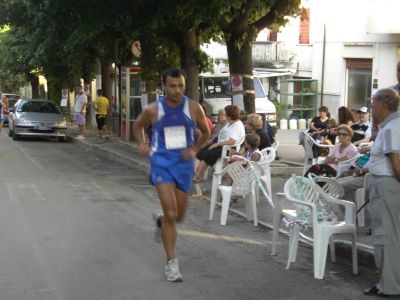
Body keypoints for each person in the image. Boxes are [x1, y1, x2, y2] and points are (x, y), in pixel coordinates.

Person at [133, 68, 210, 282]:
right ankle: (171, 263)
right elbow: (138, 125)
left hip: (184, 164)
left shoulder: (193, 108)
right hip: (162, 163)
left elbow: (206, 133)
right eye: (172, 86)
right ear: (164, 87)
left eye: (181, 86)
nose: (177, 90)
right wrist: (142, 143)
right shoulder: (153, 110)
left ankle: (161, 220)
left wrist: (194, 149)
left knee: (178, 216)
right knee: (171, 211)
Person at [364, 88, 400, 297]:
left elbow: (396, 167)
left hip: (387, 185)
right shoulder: (390, 126)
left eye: (373, 104)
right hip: (387, 185)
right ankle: (388, 282)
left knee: (385, 236)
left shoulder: (391, 128)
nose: (371, 107)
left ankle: (389, 285)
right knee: (388, 235)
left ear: (384, 105)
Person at [193, 104, 245, 183]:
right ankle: (193, 174)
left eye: (226, 114)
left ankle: (197, 176)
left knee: (208, 154)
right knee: (201, 151)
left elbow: (232, 141)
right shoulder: (229, 123)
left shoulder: (237, 126)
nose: (225, 116)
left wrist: (218, 144)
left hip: (229, 148)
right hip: (221, 145)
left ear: (229, 116)